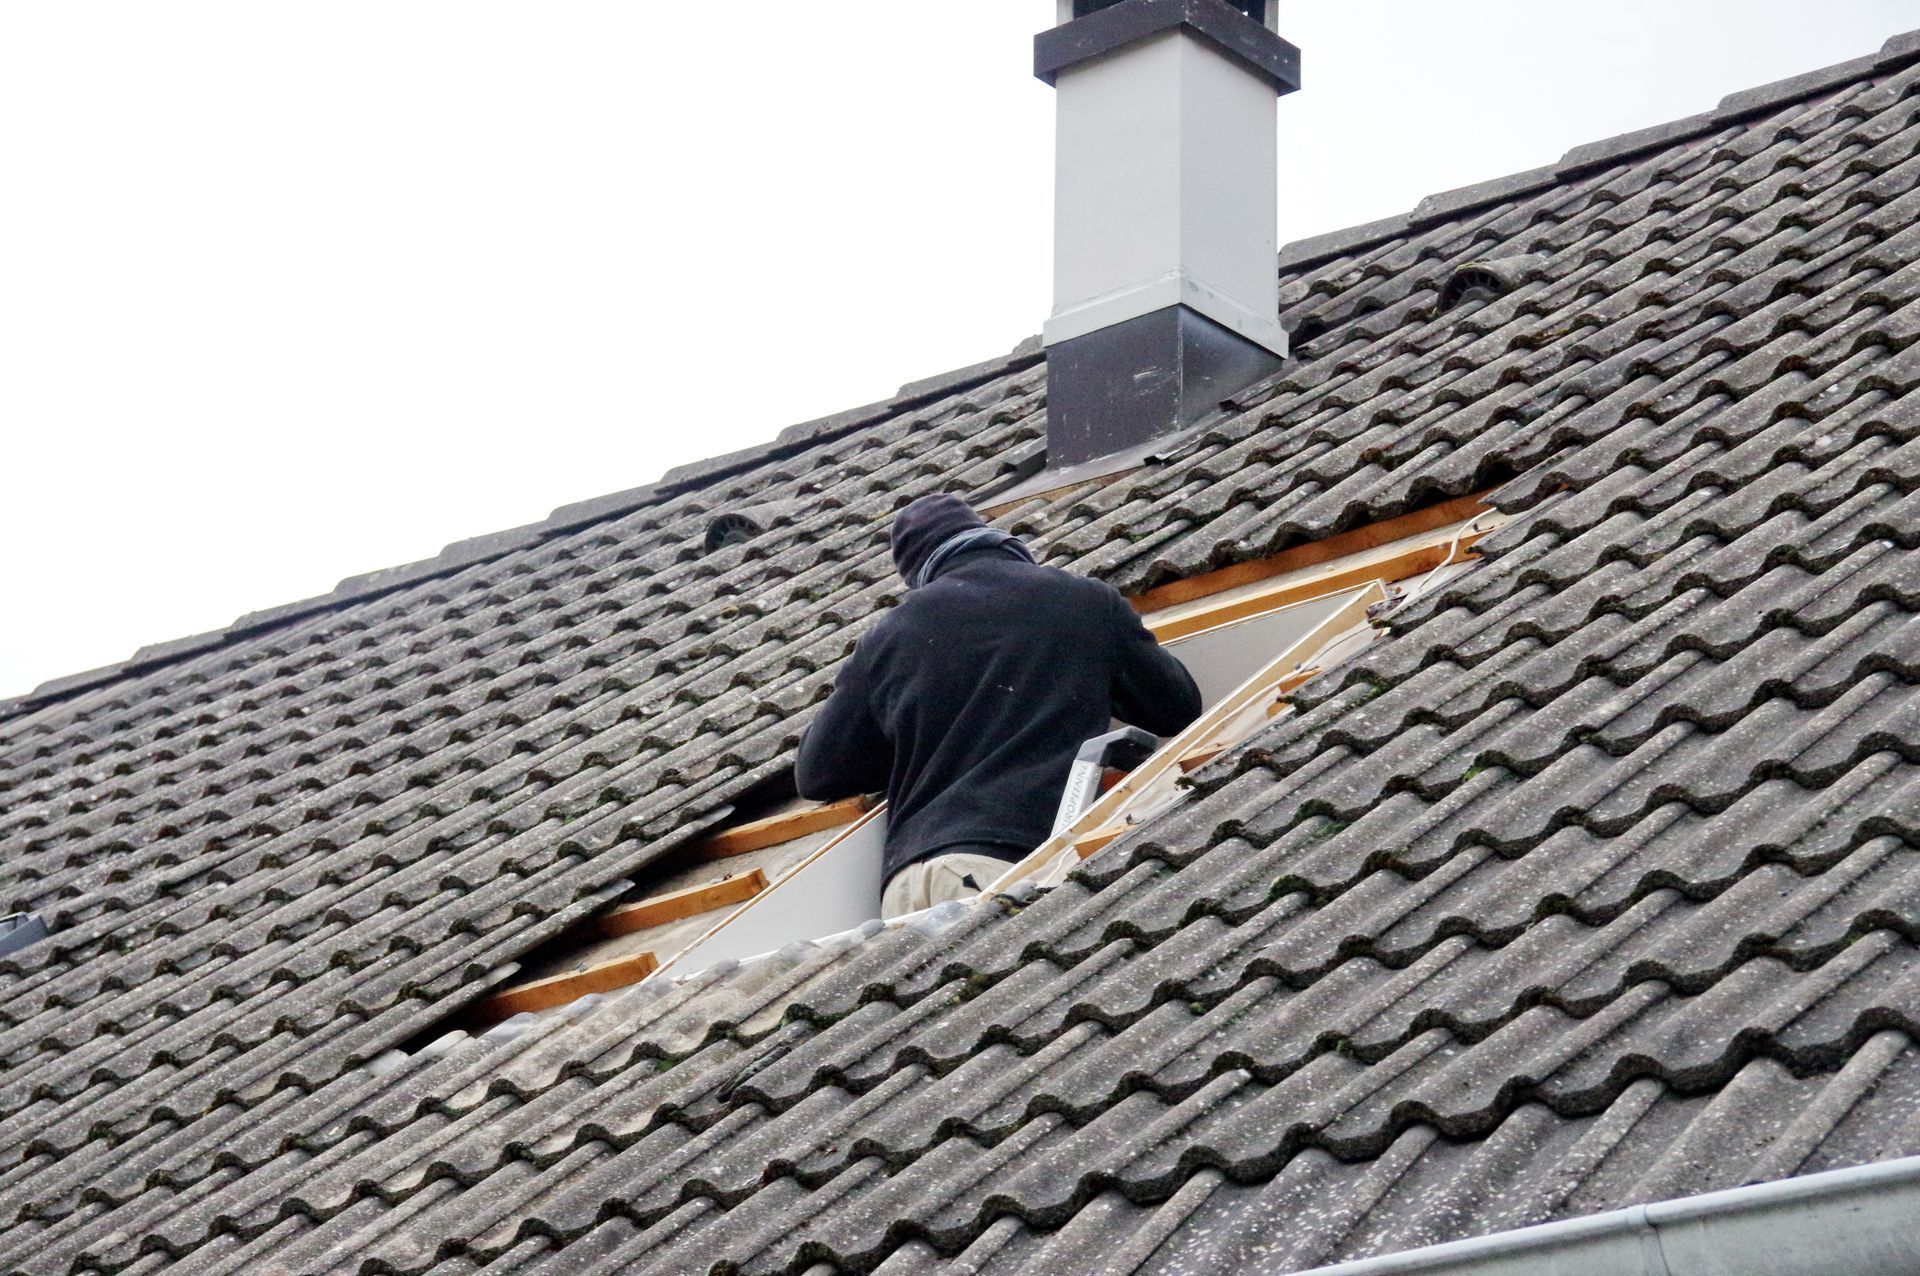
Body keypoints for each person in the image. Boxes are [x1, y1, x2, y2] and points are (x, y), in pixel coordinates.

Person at [794, 493, 1203, 917]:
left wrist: (915, 733)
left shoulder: (889, 636)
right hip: (1003, 863)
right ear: (997, 539)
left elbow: (816, 774)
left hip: (904, 884)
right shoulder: (1081, 601)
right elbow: (1177, 709)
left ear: (916, 574)